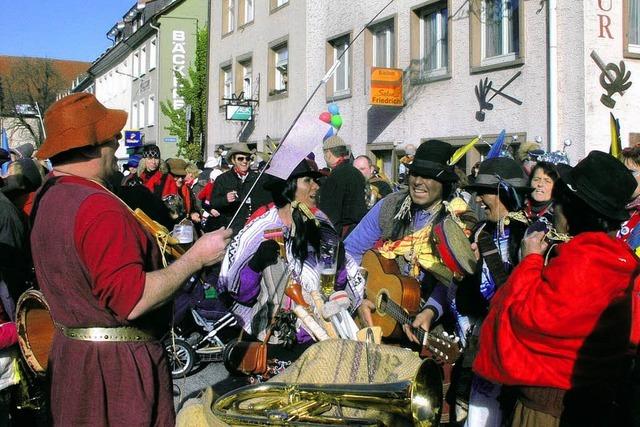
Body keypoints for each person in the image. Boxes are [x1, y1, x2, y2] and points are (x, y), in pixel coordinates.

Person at [30, 93, 232, 426]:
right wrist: (196, 258)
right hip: (115, 370)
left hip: (74, 360)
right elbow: (132, 299)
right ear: (94, 146)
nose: (118, 143)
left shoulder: (48, 194)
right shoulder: (97, 206)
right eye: (112, 137)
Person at [474, 151, 638, 427]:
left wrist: (530, 261)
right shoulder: (624, 261)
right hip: (601, 402)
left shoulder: (582, 260)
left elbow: (525, 318)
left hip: (549, 408)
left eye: (559, 202)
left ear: (574, 208)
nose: (554, 209)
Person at [218, 158, 365, 347]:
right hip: (278, 338)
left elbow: (334, 285)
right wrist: (256, 264)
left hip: (323, 334)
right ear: (288, 187)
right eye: (307, 181)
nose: (316, 187)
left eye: (315, 181)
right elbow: (242, 295)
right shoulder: (264, 228)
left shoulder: (320, 223)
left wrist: (339, 261)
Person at [345, 140, 476, 344]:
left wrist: (431, 310)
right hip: (380, 320)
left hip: (430, 326)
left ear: (444, 182)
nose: (418, 182)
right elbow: (351, 250)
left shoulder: (457, 217)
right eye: (415, 174)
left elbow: (454, 278)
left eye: (429, 176)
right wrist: (361, 296)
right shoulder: (392, 204)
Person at [456, 156, 532, 426]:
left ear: (505, 192)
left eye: (484, 192)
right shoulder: (480, 230)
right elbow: (468, 289)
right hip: (484, 347)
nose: (477, 200)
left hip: (516, 352)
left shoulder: (530, 235)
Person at [210, 144, 270, 235]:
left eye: (248, 158)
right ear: (233, 160)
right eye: (240, 159)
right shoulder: (222, 179)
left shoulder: (258, 178)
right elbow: (214, 202)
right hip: (232, 228)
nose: (244, 161)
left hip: (255, 227)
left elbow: (268, 201)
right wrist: (225, 199)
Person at [318, 136, 367, 237]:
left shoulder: (335, 176)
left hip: (344, 234)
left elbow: (329, 214)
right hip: (360, 231)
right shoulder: (356, 173)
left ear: (328, 154)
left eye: (324, 154)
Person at [167, 158, 201, 224]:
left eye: (182, 176)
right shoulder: (163, 191)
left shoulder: (187, 189)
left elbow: (194, 207)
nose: (180, 179)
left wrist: (194, 214)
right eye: (176, 176)